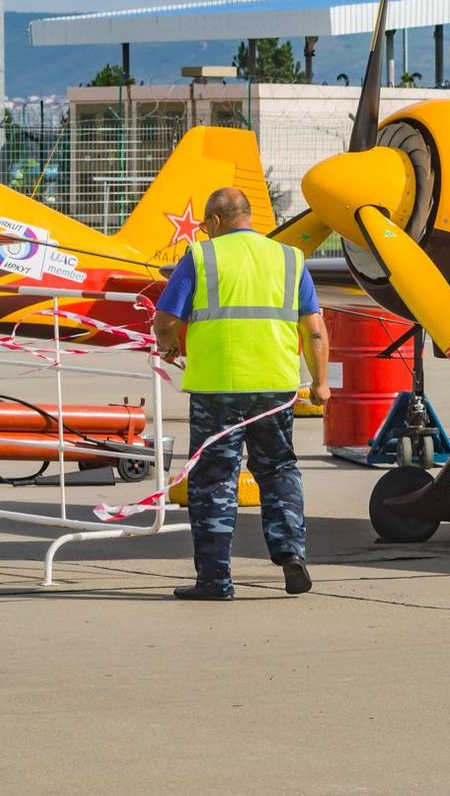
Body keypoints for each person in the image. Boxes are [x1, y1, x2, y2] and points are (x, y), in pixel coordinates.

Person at [152, 187, 330, 601]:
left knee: (214, 481)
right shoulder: (289, 258)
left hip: (218, 389)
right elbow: (315, 328)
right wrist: (320, 383)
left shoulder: (200, 256)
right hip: (276, 387)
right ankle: (291, 556)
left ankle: (215, 580)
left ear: (214, 222)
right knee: (279, 470)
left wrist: (167, 345)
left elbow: (165, 320)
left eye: (205, 225)